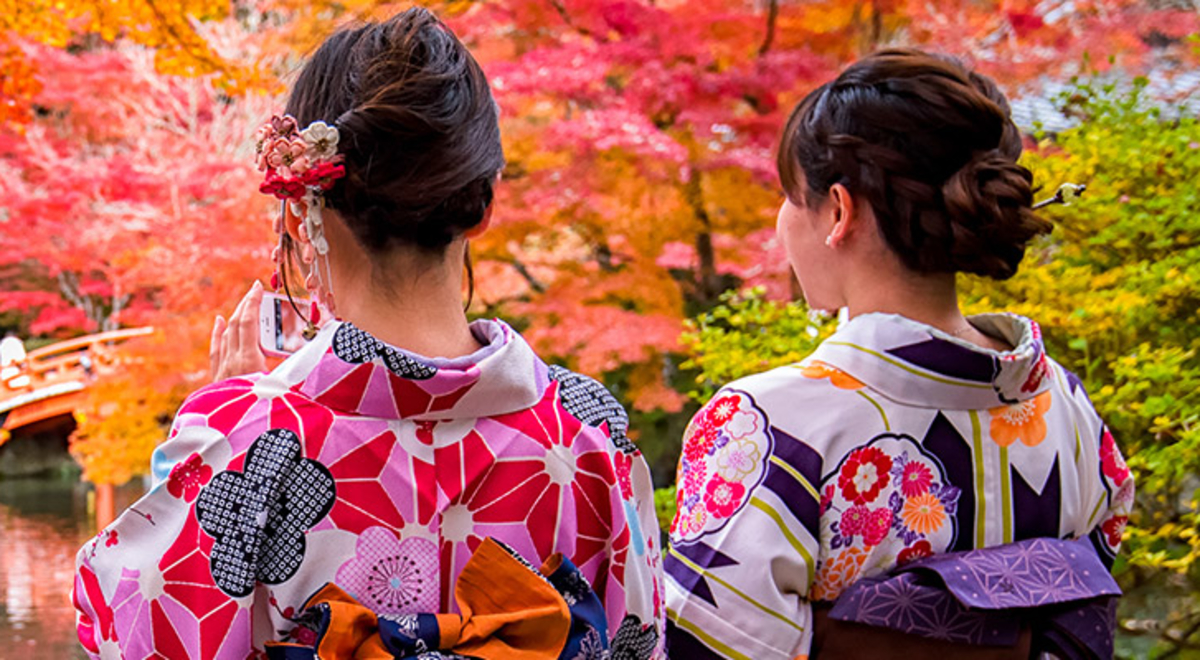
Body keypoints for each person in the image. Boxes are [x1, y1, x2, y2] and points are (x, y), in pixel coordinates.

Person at [73, 9, 664, 659]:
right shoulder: (588, 433)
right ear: (484, 202)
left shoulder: (246, 437)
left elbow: (136, 634)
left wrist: (205, 448)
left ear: (302, 208)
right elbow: (640, 639)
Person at [664, 50, 1133, 659]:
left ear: (838, 210)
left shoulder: (765, 426)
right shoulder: (1068, 410)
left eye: (789, 196)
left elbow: (703, 645)